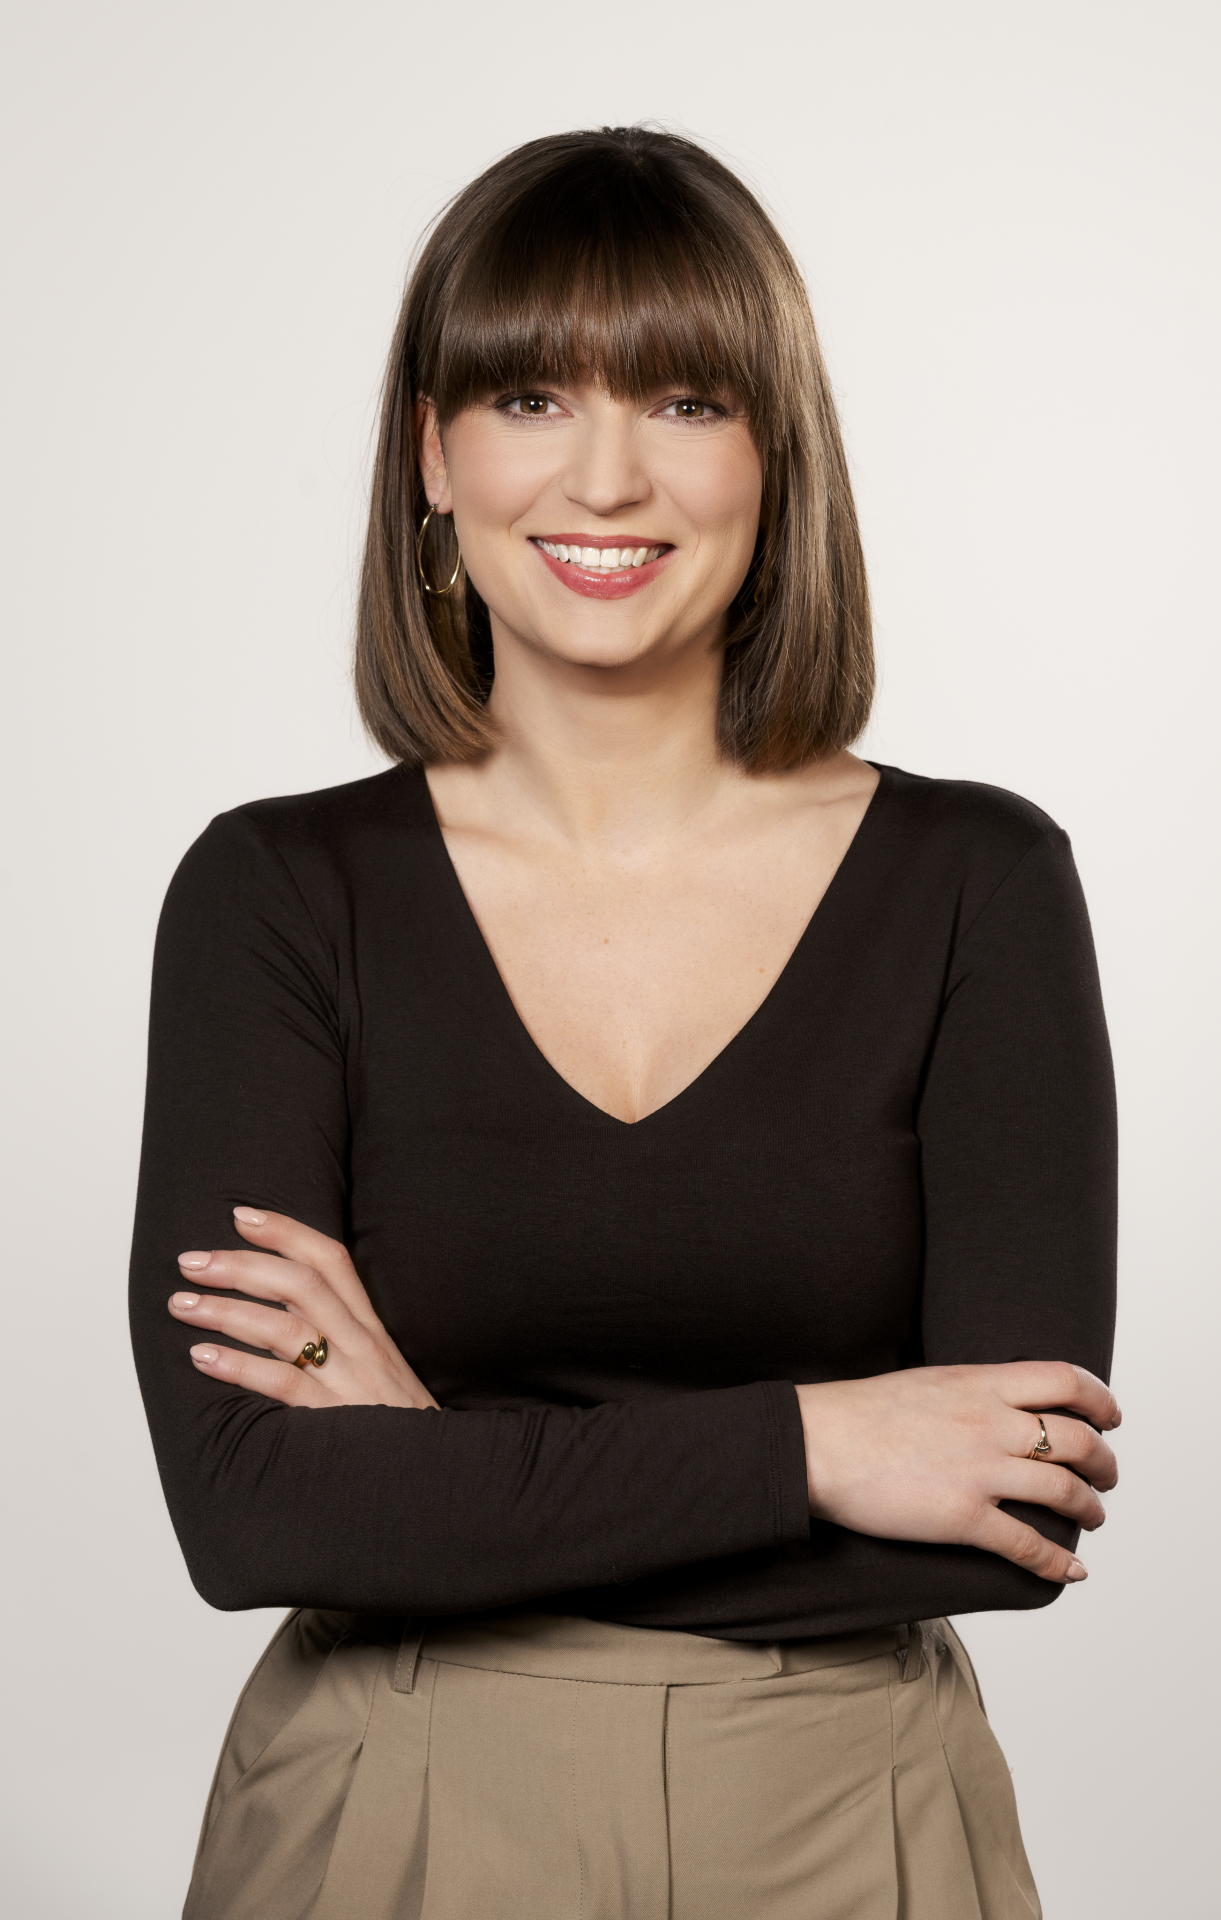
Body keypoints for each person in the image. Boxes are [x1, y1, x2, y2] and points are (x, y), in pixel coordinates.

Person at [129, 126, 1119, 1920]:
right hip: (392, 1800)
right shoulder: (273, 894)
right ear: (433, 454)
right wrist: (822, 1446)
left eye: (683, 401)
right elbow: (256, 1512)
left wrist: (438, 1476)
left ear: (772, 455)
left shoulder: (979, 879)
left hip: (854, 1815)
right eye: (529, 400)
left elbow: (1017, 1519)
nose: (605, 477)